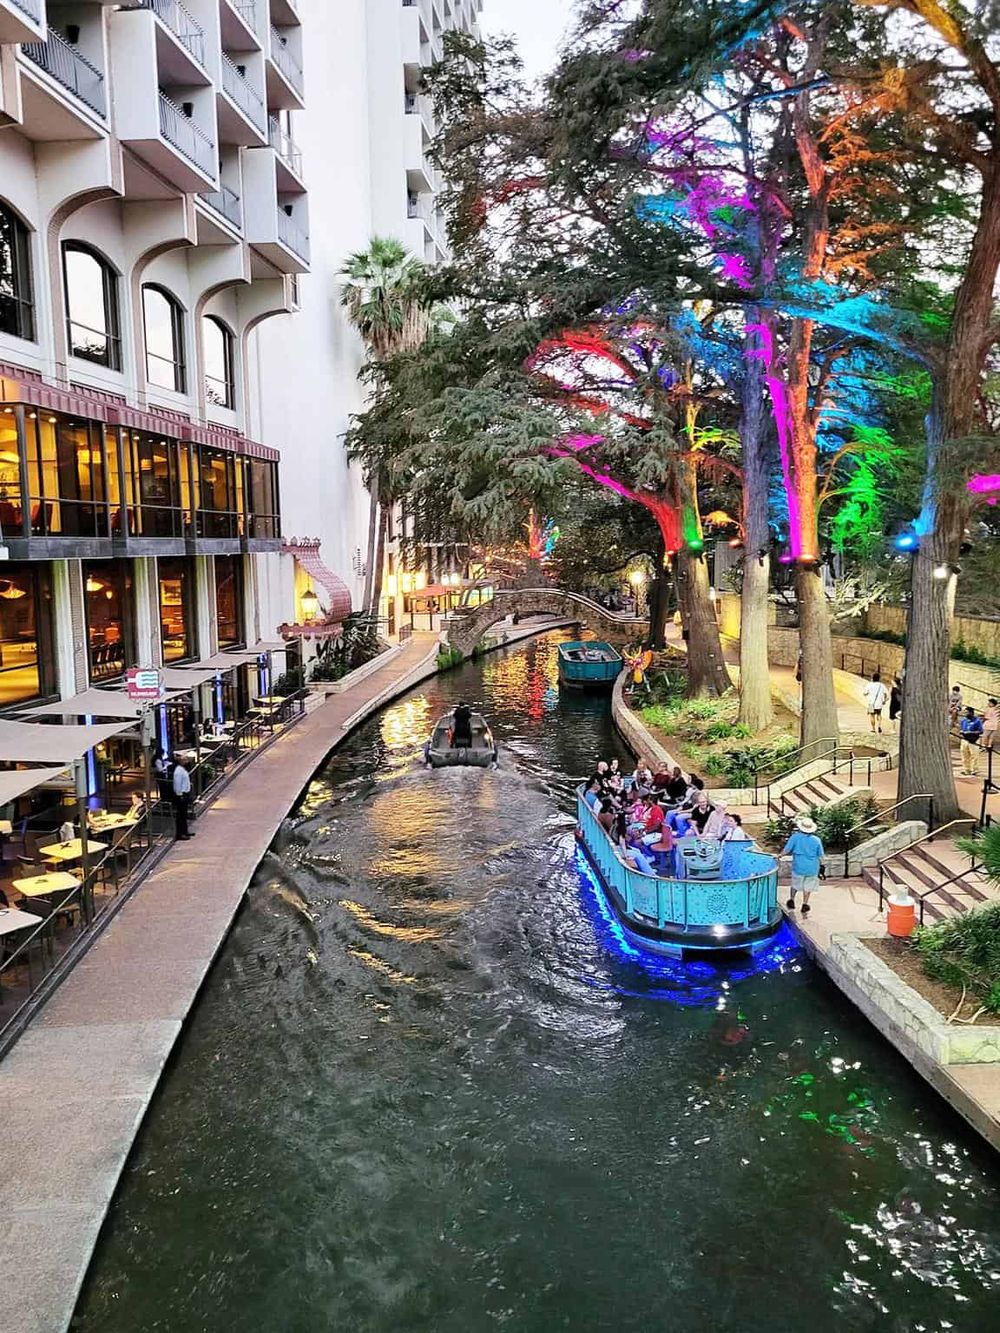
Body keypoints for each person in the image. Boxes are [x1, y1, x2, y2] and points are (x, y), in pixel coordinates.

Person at [783, 815, 825, 915]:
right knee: (808, 887)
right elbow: (821, 855)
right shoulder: (816, 840)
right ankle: (805, 904)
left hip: (799, 866)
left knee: (795, 884)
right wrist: (822, 866)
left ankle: (791, 900)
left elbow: (787, 850)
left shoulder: (795, 837)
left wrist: (779, 856)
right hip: (812, 867)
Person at [959, 705, 984, 777]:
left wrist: (971, 733)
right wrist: (962, 732)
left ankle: (974, 770)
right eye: (964, 712)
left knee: (974, 755)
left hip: (974, 740)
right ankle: (967, 769)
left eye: (966, 712)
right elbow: (961, 729)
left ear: (971, 713)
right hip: (964, 739)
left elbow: (980, 731)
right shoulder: (964, 720)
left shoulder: (977, 721)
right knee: (964, 755)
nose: (965, 714)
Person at [172, 758, 193, 840]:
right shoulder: (178, 771)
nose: (186, 761)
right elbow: (177, 784)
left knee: (184, 814)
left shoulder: (182, 769)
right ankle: (180, 834)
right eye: (184, 760)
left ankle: (185, 831)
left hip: (185, 793)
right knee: (180, 815)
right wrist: (180, 795)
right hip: (181, 794)